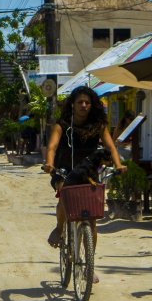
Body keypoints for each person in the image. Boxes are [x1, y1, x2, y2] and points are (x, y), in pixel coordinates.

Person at [42, 86, 127, 283]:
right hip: (64, 169)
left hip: (88, 172)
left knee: (92, 218)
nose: (83, 105)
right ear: (72, 104)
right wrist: (49, 164)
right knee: (64, 191)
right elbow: (52, 146)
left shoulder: (98, 125)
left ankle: (89, 264)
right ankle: (60, 226)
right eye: (80, 102)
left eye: (87, 102)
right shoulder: (63, 125)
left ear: (92, 105)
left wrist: (119, 164)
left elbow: (110, 147)